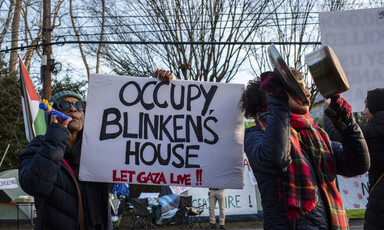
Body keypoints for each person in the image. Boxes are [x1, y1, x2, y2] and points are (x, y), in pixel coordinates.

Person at [18, 70, 173, 230]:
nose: (73, 109)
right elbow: (35, 185)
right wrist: (57, 133)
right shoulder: (38, 146)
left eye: (79, 105)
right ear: (51, 114)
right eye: (64, 105)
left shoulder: (99, 148)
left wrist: (156, 90)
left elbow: (137, 131)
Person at [239, 68, 370, 230]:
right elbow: (275, 159)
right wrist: (279, 105)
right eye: (299, 88)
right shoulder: (255, 134)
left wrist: (348, 125)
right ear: (275, 94)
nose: (308, 93)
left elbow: (358, 165)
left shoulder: (317, 135)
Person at [325, 88, 384, 229]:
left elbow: (336, 135)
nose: (364, 112)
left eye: (367, 106)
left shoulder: (375, 131)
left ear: (377, 105)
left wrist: (328, 113)